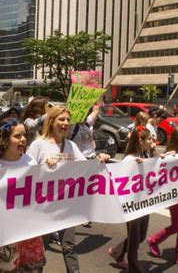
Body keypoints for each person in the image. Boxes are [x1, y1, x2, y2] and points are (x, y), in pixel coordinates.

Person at [27, 106, 109, 273]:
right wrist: (42, 168)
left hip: (66, 205)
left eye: (67, 120)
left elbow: (85, 166)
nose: (65, 123)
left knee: (69, 247)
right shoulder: (38, 145)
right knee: (39, 249)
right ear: (51, 121)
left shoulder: (71, 145)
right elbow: (26, 173)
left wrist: (99, 159)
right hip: (44, 207)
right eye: (61, 119)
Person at [0, 119, 46, 272]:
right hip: (5, 239)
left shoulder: (31, 162)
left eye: (24, 135)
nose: (23, 140)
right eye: (17, 136)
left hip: (30, 235)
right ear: (5, 139)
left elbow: (40, 197)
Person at [146, 125, 178, 269]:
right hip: (173, 195)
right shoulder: (169, 154)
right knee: (177, 225)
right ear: (177, 139)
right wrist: (168, 157)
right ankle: (153, 240)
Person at [107, 125, 155, 273]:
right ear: (140, 140)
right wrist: (134, 166)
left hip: (144, 202)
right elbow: (120, 179)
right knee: (134, 239)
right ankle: (133, 268)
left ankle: (117, 251)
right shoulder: (129, 158)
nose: (152, 140)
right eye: (148, 138)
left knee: (141, 236)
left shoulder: (145, 156)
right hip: (132, 204)